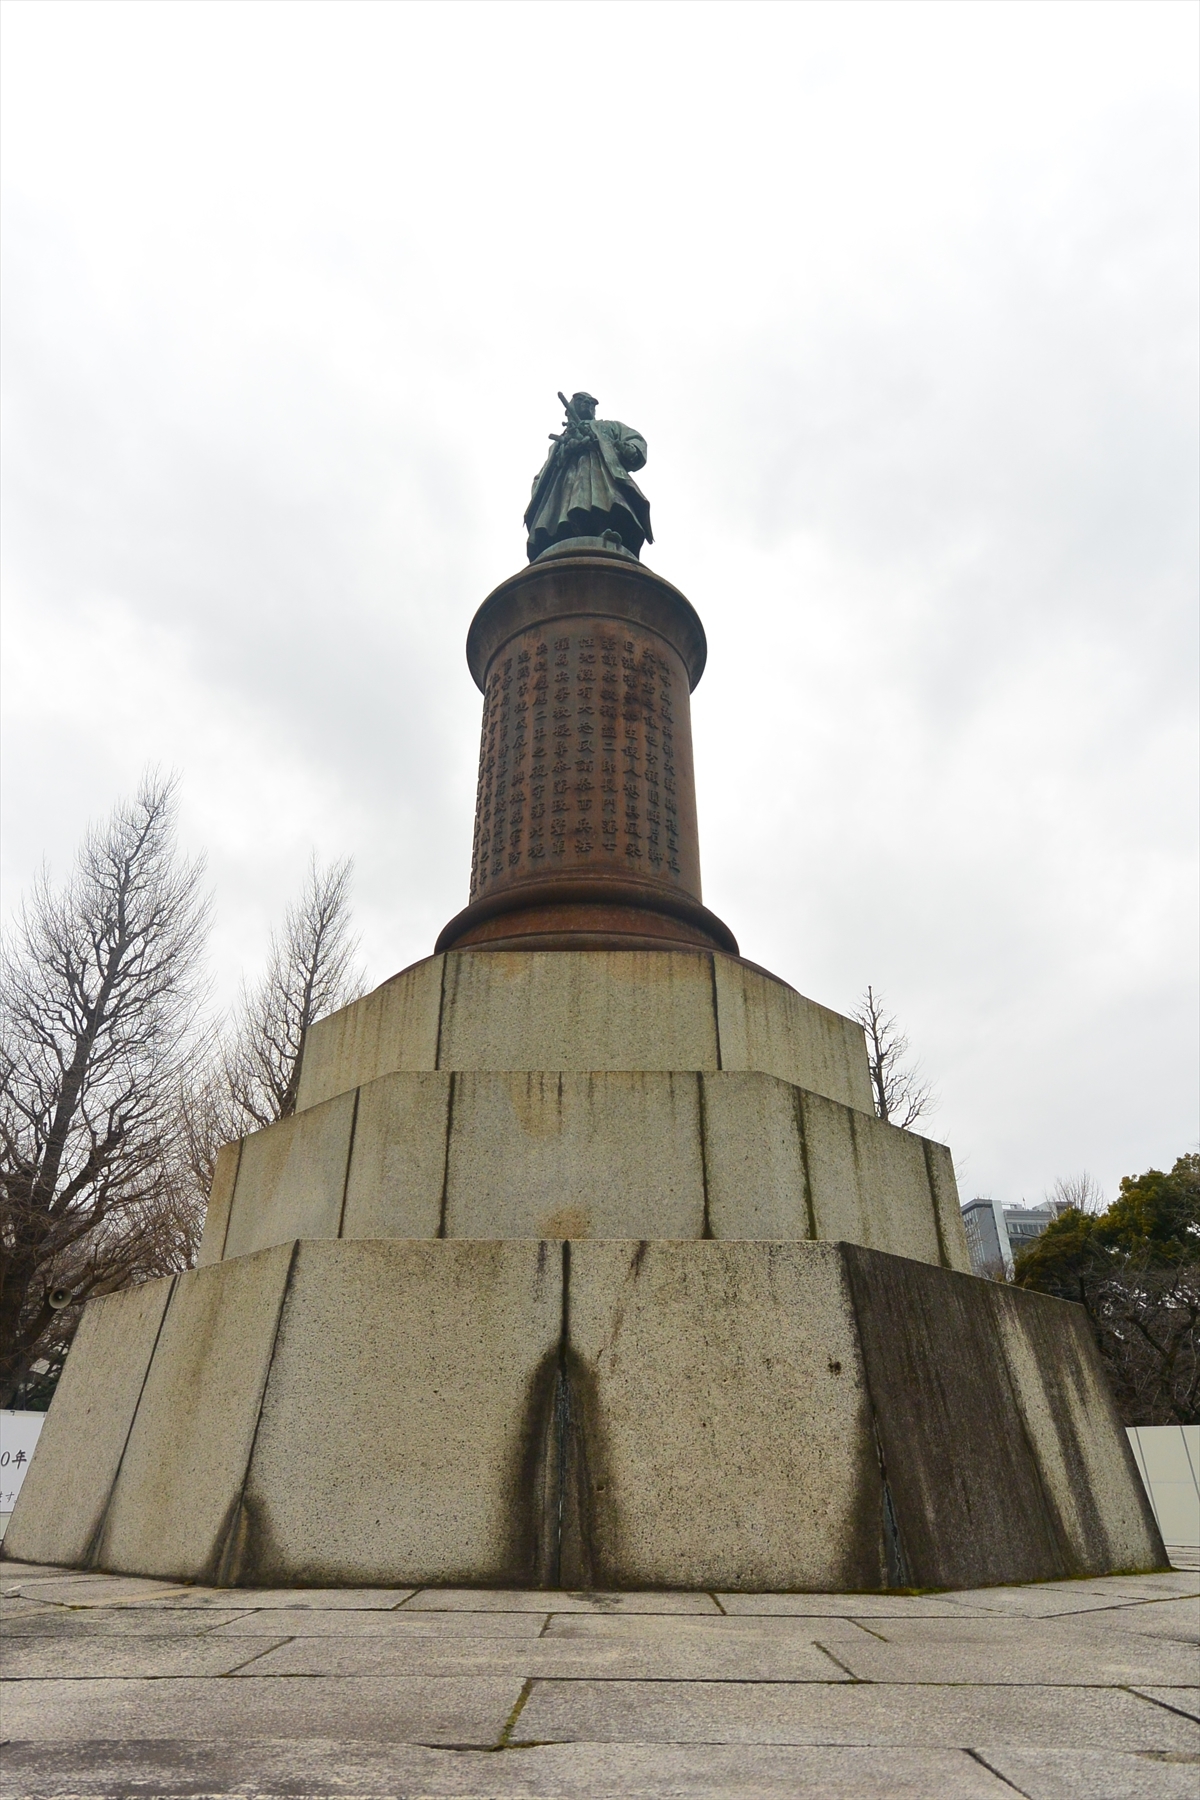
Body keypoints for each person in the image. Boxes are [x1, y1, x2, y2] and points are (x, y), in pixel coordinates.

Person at [524, 392, 654, 560]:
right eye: (581, 401)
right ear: (569, 410)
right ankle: (565, 534)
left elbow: (635, 439)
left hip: (598, 469)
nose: (588, 404)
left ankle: (604, 530)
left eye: (591, 402)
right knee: (563, 507)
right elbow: (542, 474)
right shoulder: (558, 443)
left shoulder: (609, 426)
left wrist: (630, 449)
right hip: (564, 478)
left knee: (603, 500)